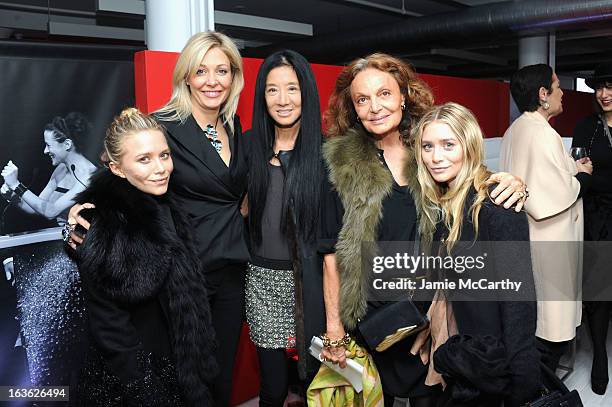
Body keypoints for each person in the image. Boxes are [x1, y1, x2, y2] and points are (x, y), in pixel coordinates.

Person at [318, 53, 528, 407]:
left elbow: (469, 181)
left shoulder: (429, 150)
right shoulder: (341, 166)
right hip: (372, 320)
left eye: (384, 94)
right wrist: (335, 330)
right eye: (362, 99)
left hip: (429, 316)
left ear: (402, 95)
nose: (374, 107)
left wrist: (510, 181)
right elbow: (330, 256)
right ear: (353, 109)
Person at [67, 31, 248, 406]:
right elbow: (125, 176)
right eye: (201, 71)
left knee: (215, 377)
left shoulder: (234, 125)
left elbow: (233, 194)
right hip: (187, 269)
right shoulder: (163, 126)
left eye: (222, 70)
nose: (212, 80)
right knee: (168, 373)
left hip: (222, 267)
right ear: (186, 76)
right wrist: (81, 217)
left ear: (234, 76)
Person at [73, 108, 217, 406]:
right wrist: (146, 388)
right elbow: (110, 326)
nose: (161, 167)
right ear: (116, 168)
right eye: (144, 159)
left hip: (183, 365)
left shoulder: (167, 203)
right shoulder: (103, 224)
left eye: (164, 155)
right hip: (141, 378)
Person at [412, 102, 540, 407]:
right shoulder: (443, 203)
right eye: (427, 146)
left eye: (448, 145)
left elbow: (519, 302)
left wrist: (523, 384)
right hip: (462, 357)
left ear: (469, 146)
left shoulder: (497, 207)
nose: (436, 157)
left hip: (492, 366)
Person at [499, 63, 593, 372]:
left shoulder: (516, 130)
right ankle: (542, 390)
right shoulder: (542, 134)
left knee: (535, 318)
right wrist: (583, 178)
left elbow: (541, 177)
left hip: (528, 238)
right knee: (552, 326)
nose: (562, 91)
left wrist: (572, 169)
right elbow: (550, 196)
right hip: (550, 239)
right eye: (557, 85)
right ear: (543, 94)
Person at [244, 49, 325, 406]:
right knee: (274, 387)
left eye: (292, 89)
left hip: (314, 281)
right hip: (262, 280)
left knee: (317, 384)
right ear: (262, 96)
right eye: (272, 90)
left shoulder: (327, 152)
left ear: (305, 92)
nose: (283, 100)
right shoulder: (247, 146)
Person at [572, 62, 612, 395]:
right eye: (599, 88)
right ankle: (600, 356)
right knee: (599, 291)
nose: (603, 94)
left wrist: (594, 176)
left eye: (610, 87)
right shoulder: (587, 127)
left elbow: (589, 172)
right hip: (596, 216)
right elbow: (578, 171)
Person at [1, 112, 96, 226]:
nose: (45, 151)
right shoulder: (61, 169)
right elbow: (37, 208)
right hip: (61, 237)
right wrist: (12, 196)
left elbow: (50, 212)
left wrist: (16, 185)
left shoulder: (90, 176)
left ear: (67, 144)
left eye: (49, 145)